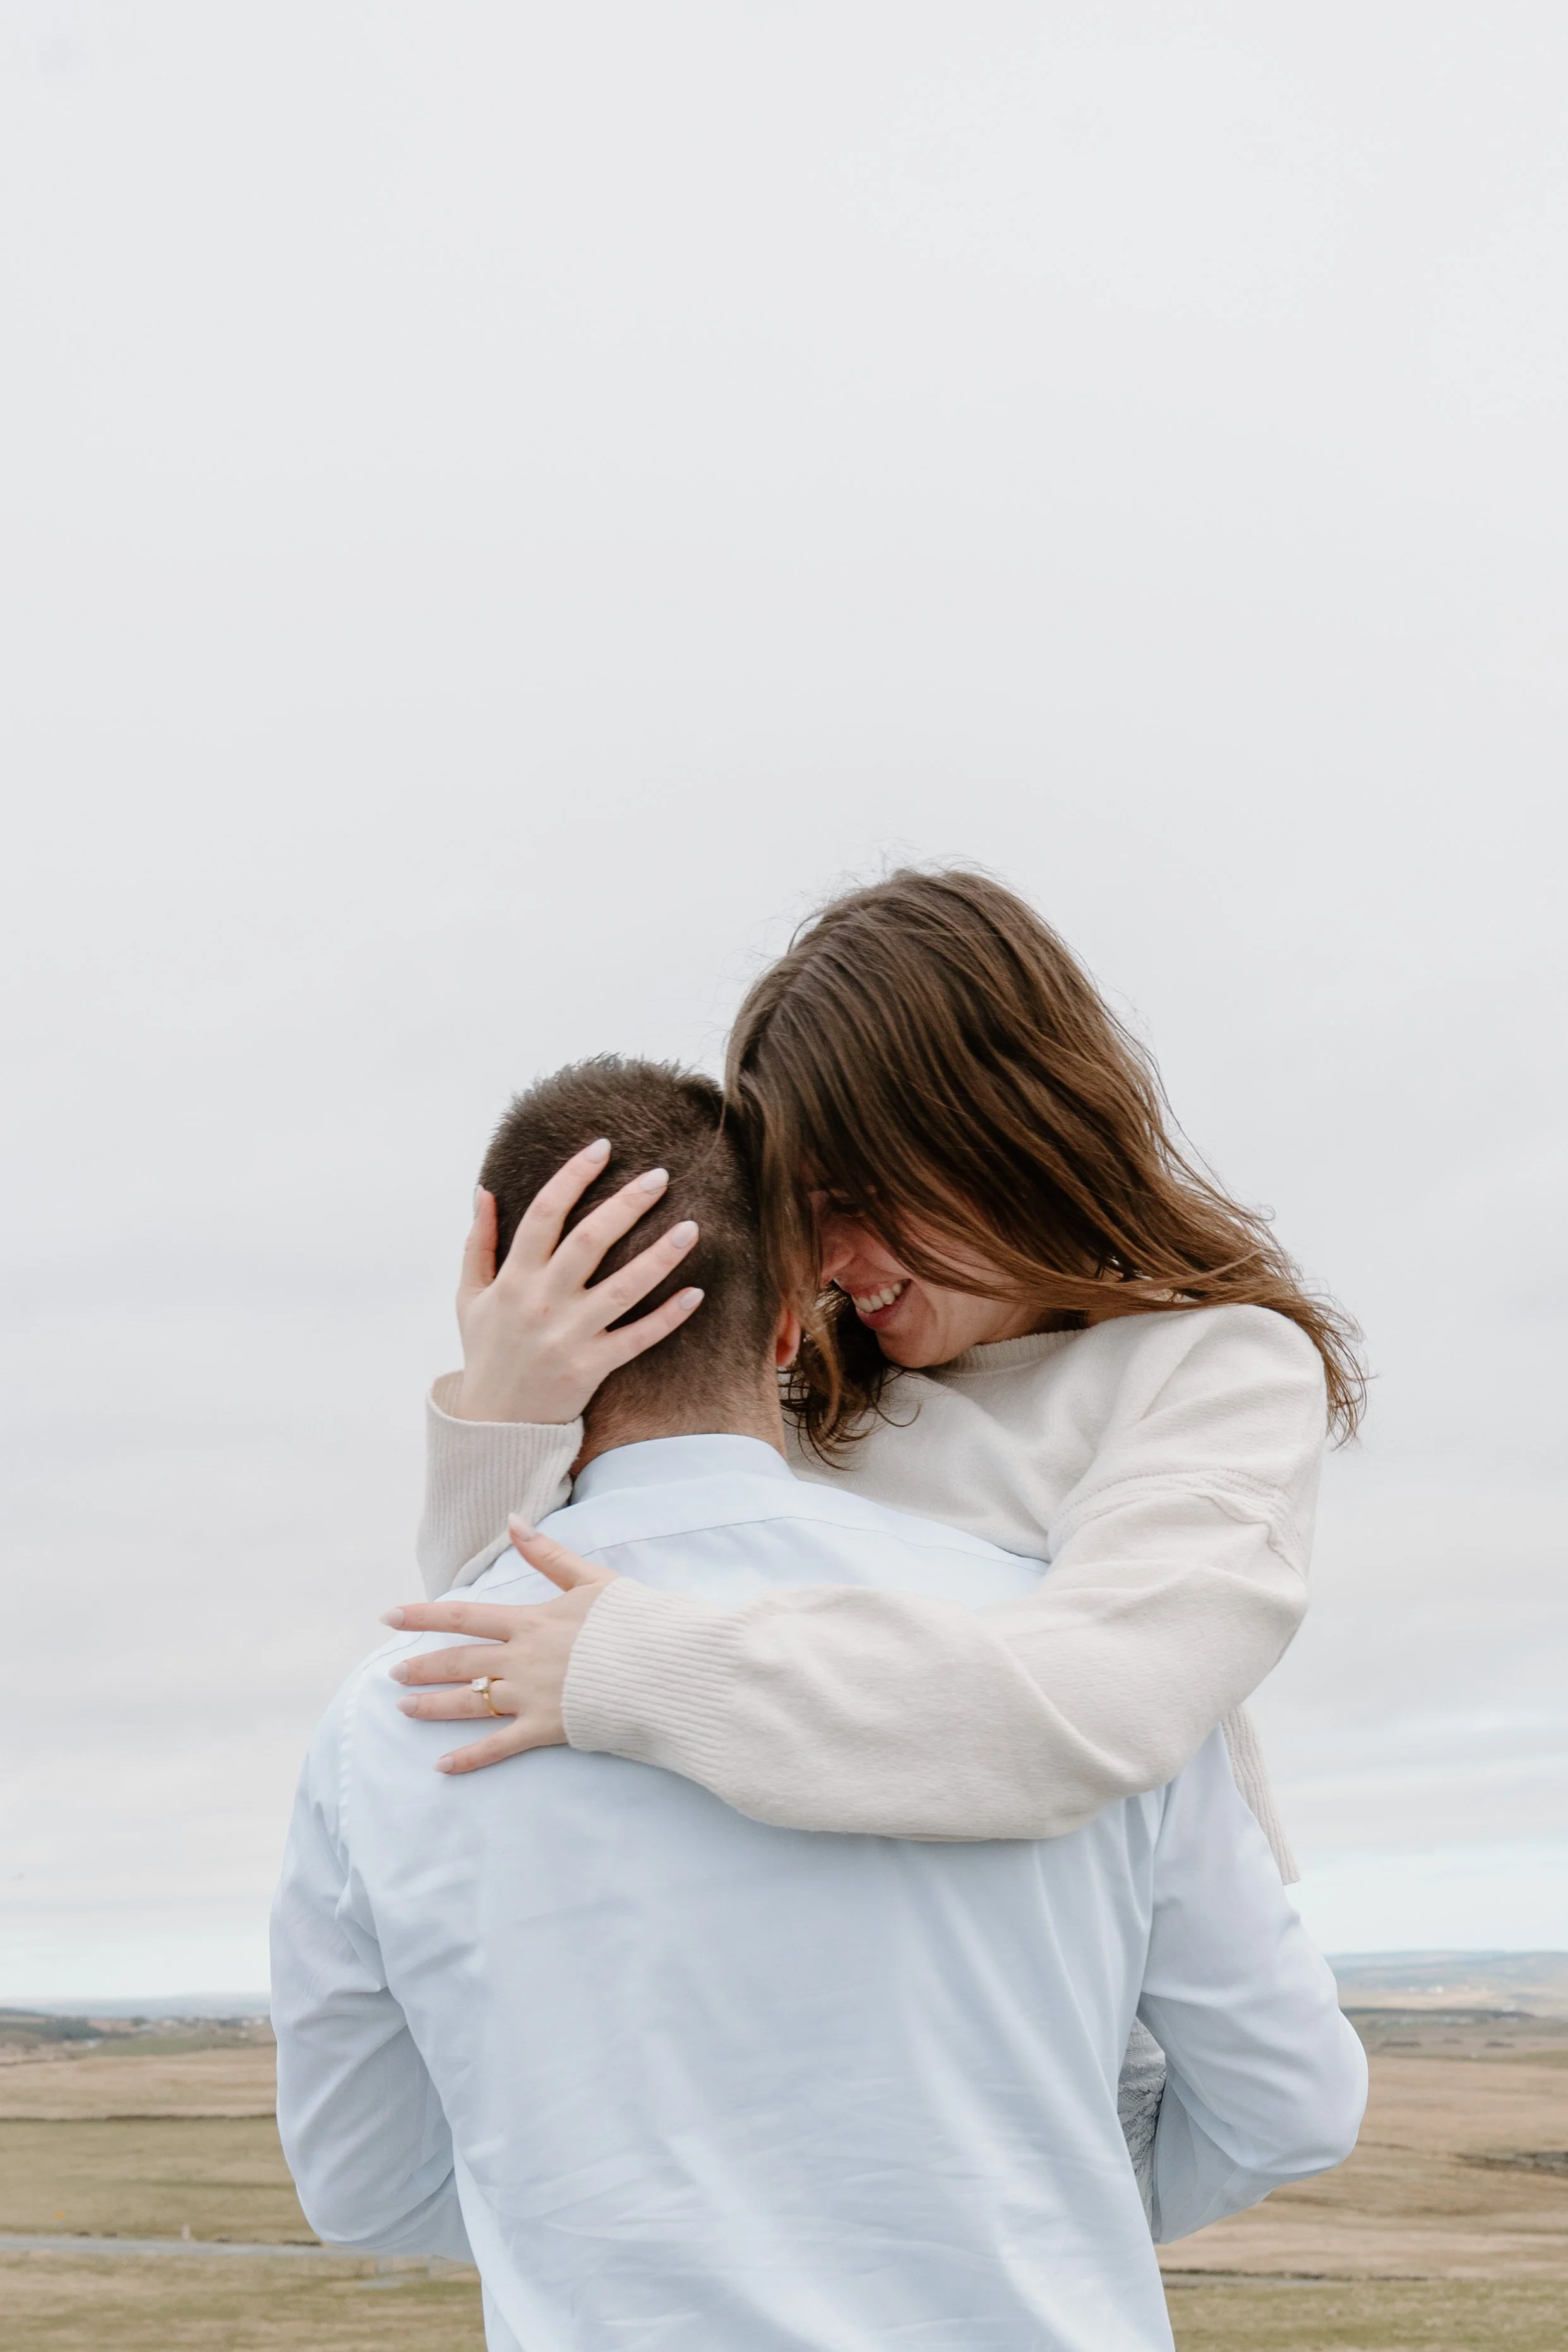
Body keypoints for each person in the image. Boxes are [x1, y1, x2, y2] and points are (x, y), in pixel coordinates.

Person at [272, 1057, 1367, 2352]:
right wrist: (1029, 2209)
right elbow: (1288, 2103)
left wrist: (612, 2225)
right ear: (789, 1317)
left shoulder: (387, 1722)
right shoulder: (1064, 1617)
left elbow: (364, 2185)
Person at [391, 870, 1363, 2166]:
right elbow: (492, 1652)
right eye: (806, 1204)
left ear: (1001, 1121)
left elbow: (1090, 1707)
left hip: (1061, 2070)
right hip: (818, 2052)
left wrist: (639, 1665)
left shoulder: (1211, 1372)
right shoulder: (799, 1397)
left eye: (863, 1190)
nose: (835, 1252)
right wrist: (505, 1411)